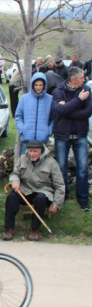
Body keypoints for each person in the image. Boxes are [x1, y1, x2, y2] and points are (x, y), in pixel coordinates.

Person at [3, 140, 65, 241]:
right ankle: (9, 228)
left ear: (41, 151)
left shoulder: (51, 163)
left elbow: (60, 185)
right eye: (30, 151)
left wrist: (56, 203)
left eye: (35, 151)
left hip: (43, 191)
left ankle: (34, 229)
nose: (32, 154)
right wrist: (15, 181)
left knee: (40, 199)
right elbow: (15, 173)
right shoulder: (23, 158)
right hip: (25, 190)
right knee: (11, 197)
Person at [53, 67, 92, 211]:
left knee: (82, 169)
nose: (84, 80)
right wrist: (78, 100)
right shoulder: (58, 91)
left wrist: (67, 110)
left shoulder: (86, 89)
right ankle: (63, 196)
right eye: (82, 78)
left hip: (80, 134)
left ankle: (83, 199)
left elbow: (87, 112)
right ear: (74, 79)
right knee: (61, 168)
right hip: (62, 135)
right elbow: (59, 110)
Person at [15, 73, 54, 153]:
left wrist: (49, 130)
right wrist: (22, 129)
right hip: (27, 140)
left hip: (42, 140)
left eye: (40, 85)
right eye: (36, 85)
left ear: (44, 85)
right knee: (25, 164)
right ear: (32, 85)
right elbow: (18, 116)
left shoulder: (50, 99)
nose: (38, 87)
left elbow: (54, 118)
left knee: (41, 164)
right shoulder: (24, 98)